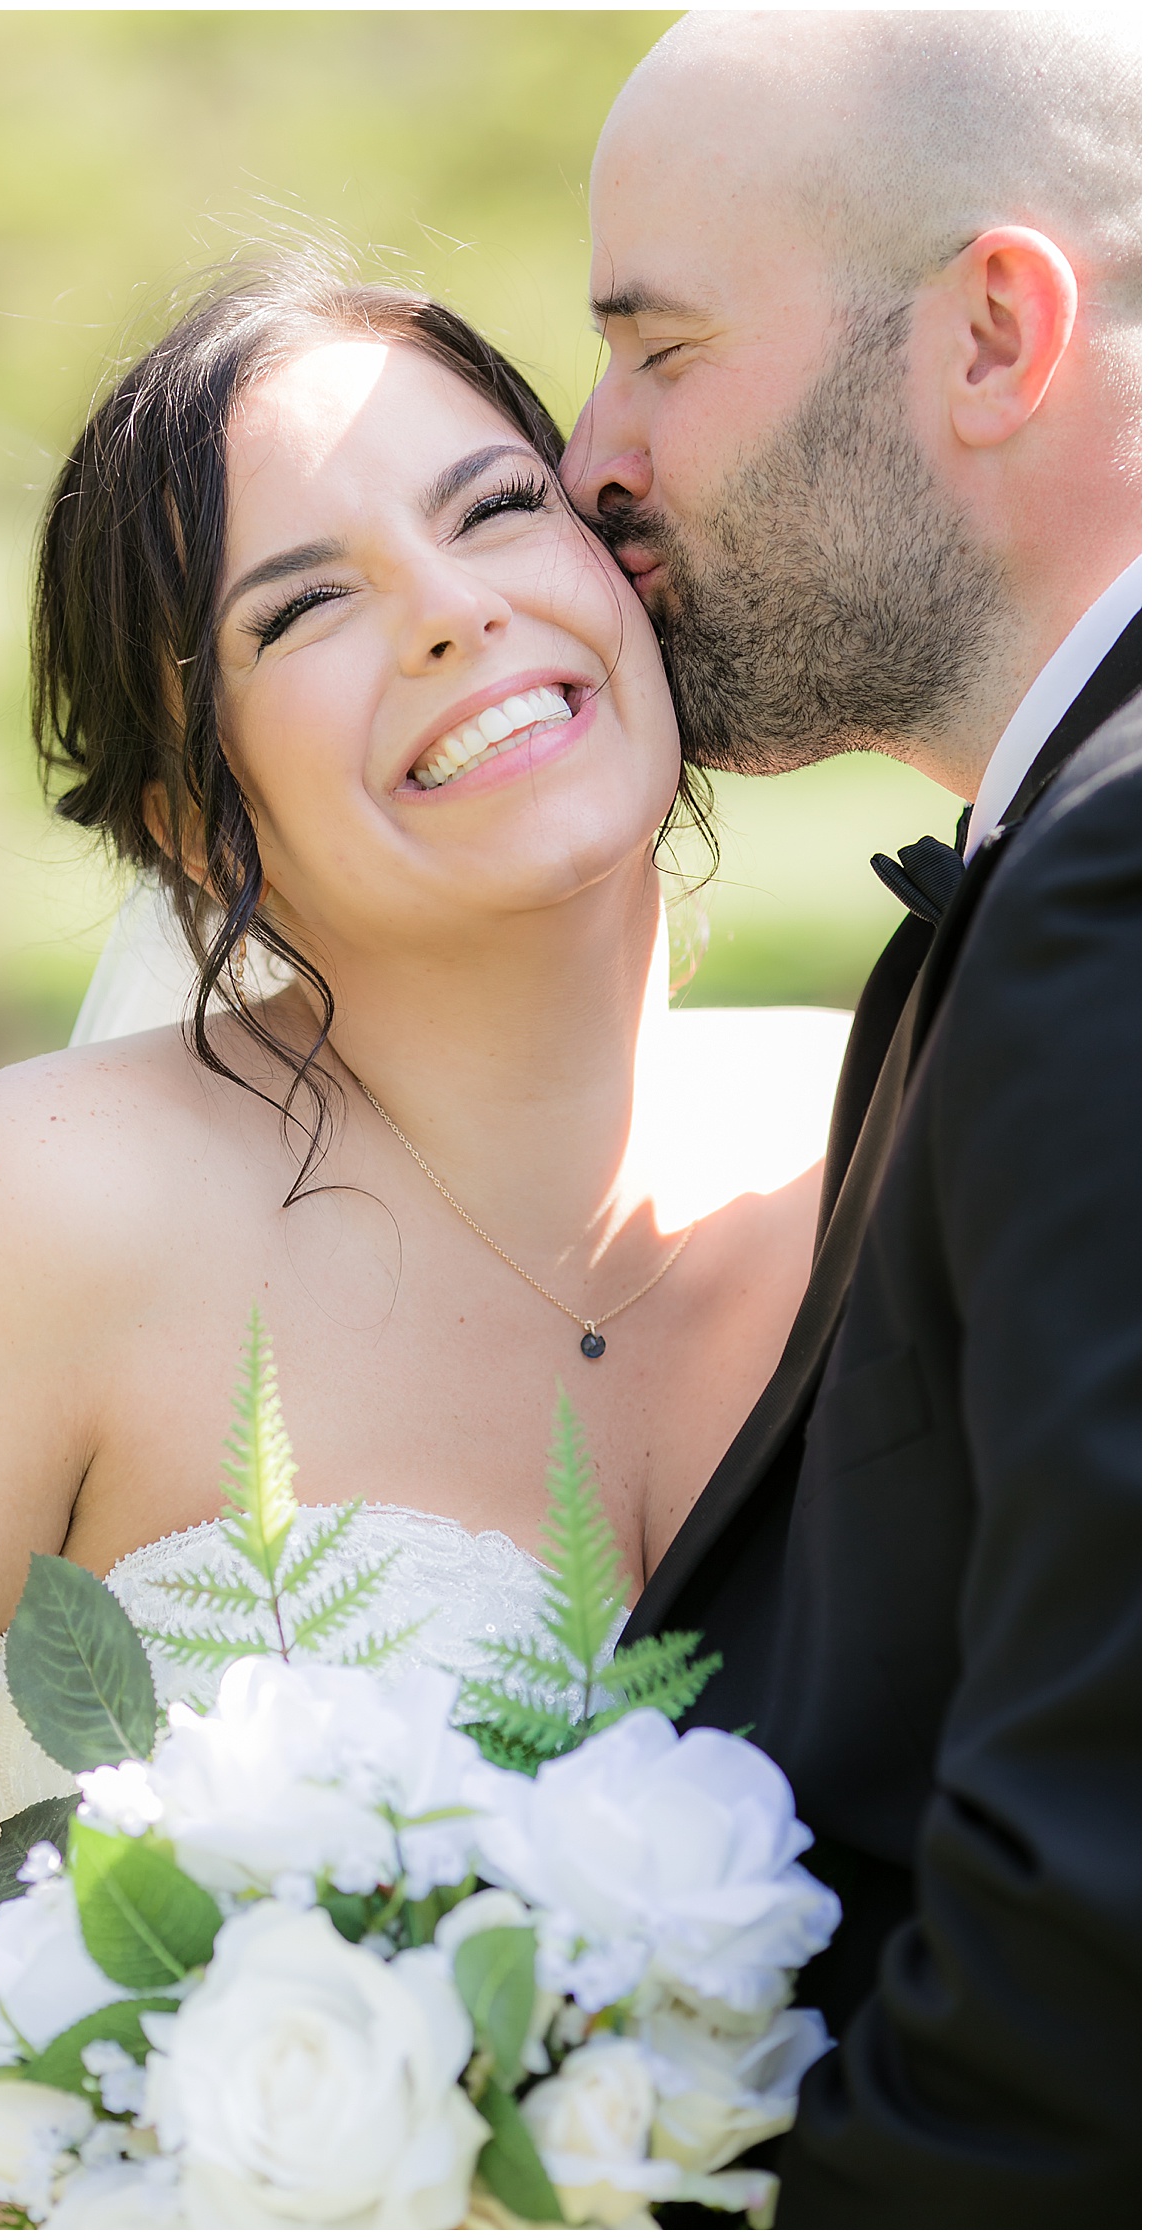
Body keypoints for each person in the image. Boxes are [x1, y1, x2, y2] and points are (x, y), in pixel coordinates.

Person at [0, 267, 852, 2228]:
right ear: (189, 822)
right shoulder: (44, 1218)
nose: (455, 606)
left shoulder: (901, 1132)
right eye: (300, 606)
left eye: (493, 508)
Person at [565, 11, 1139, 2226]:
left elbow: (1107, 1911)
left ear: (994, 330)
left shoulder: (1121, 883)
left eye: (663, 350)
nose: (590, 456)